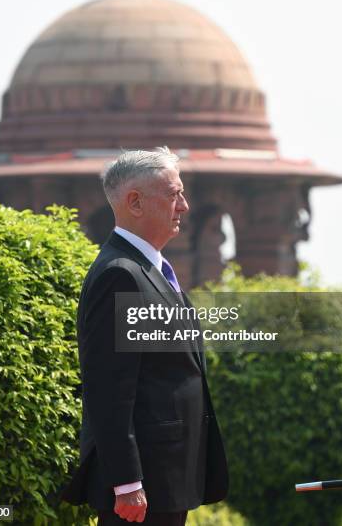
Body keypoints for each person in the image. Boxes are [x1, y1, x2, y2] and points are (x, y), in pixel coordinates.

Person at [61, 147, 228, 525]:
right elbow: (109, 388)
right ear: (135, 202)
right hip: (143, 485)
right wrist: (126, 481)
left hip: (167, 476)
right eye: (173, 194)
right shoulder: (120, 275)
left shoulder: (150, 270)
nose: (184, 206)